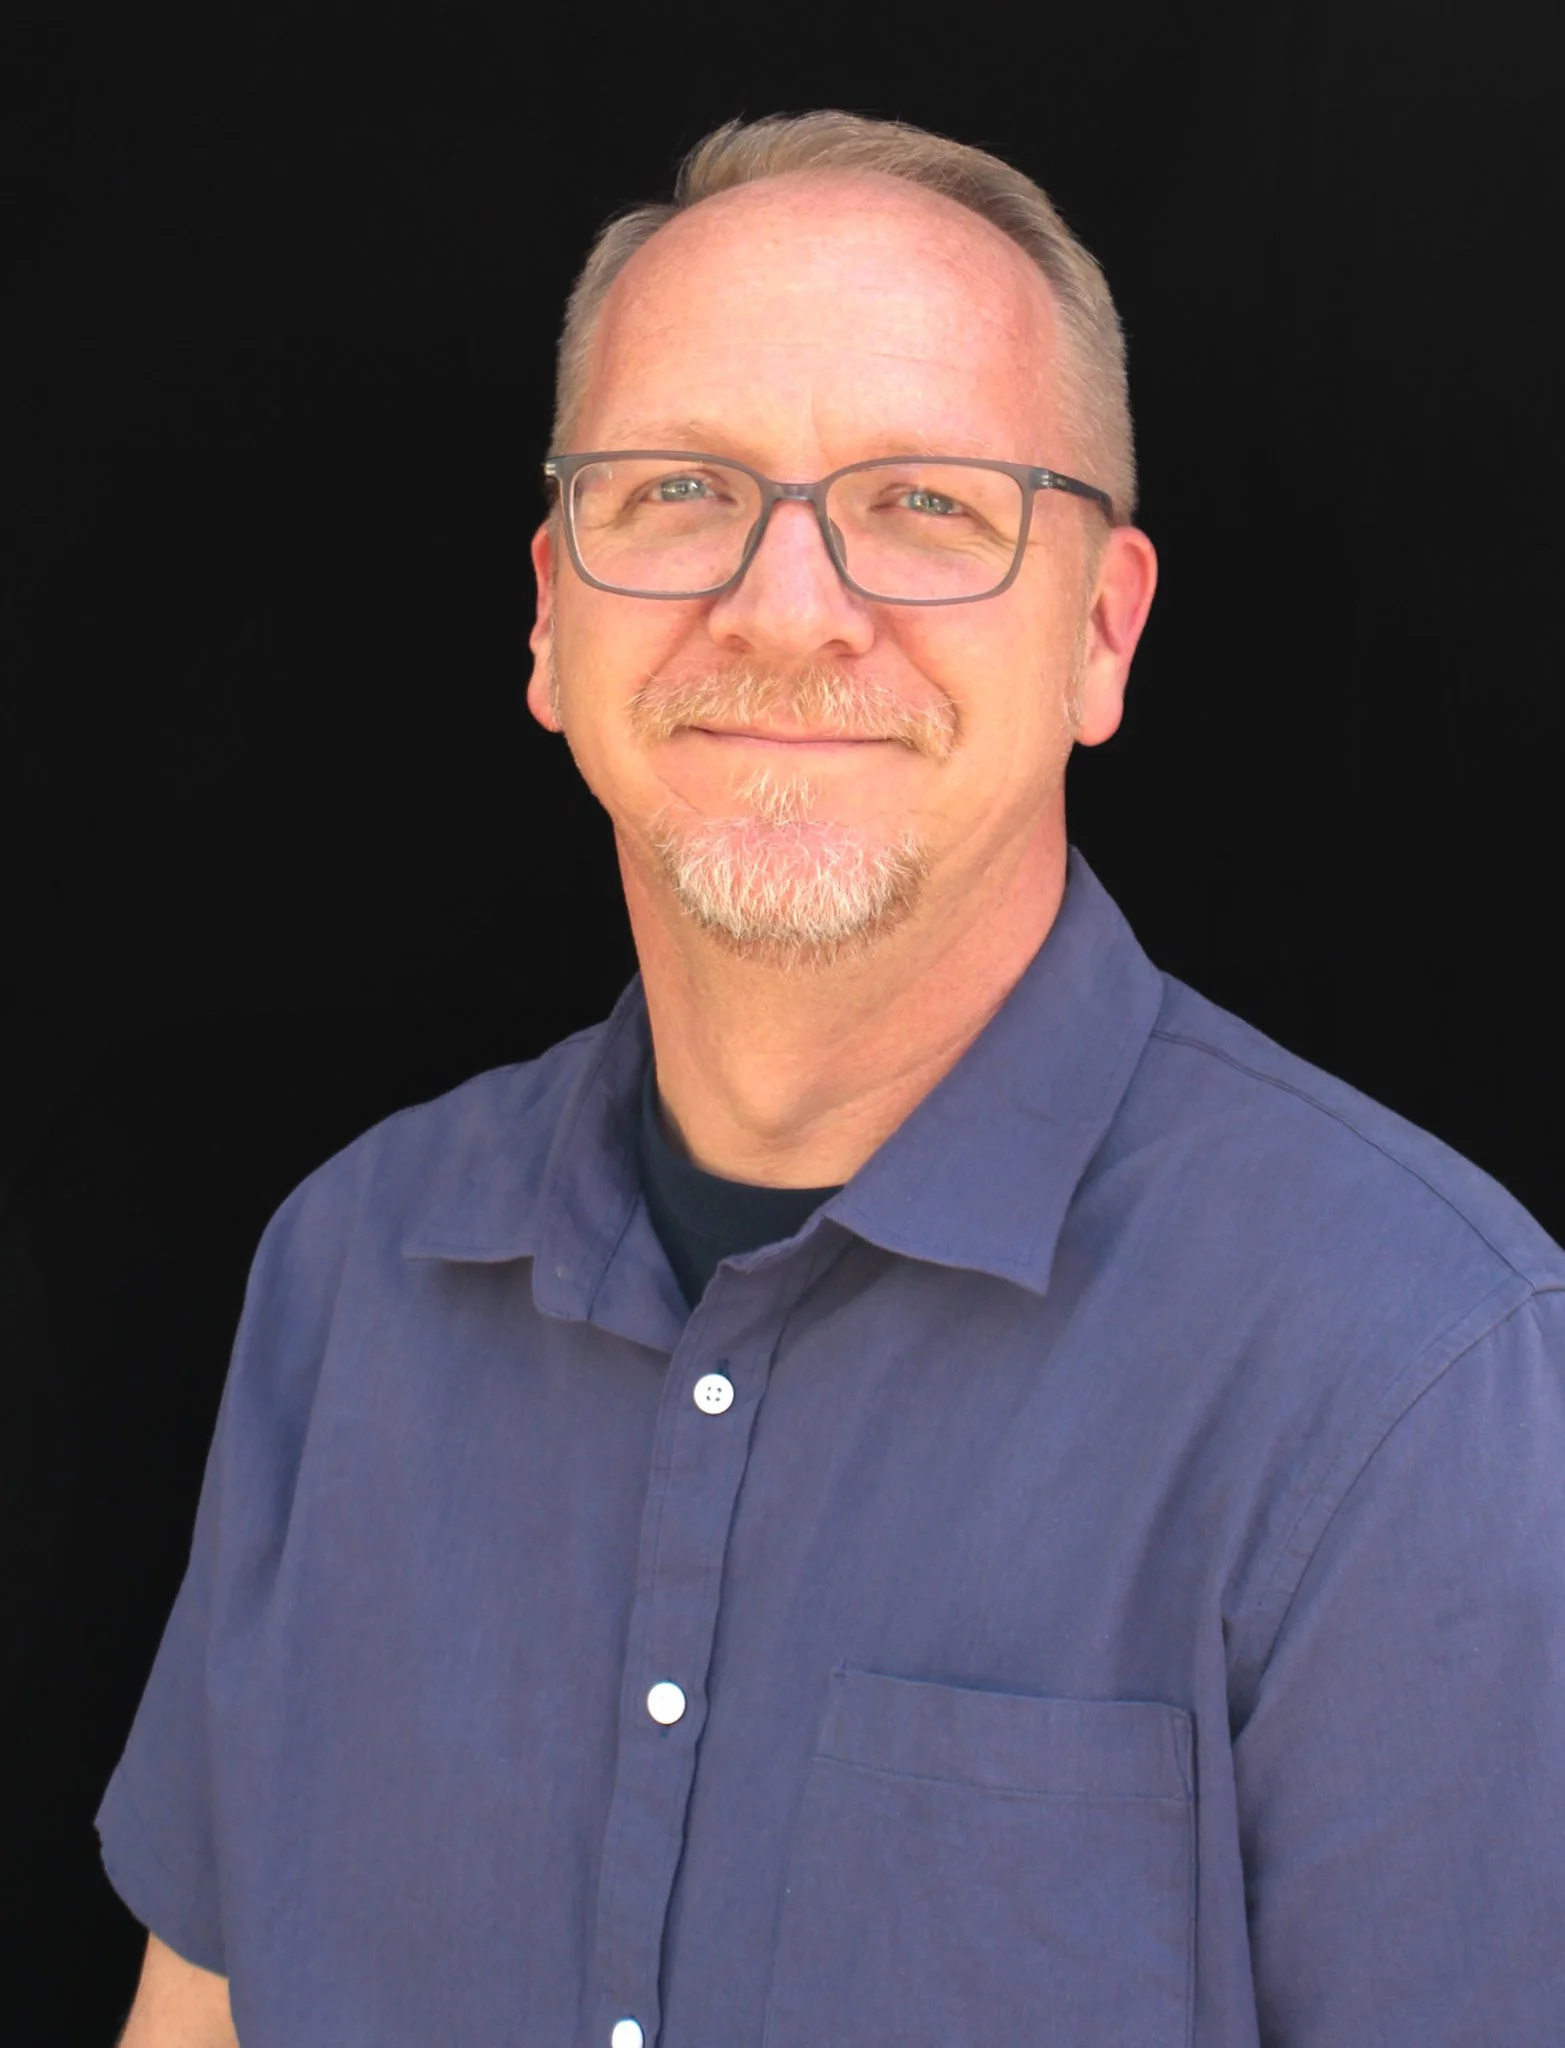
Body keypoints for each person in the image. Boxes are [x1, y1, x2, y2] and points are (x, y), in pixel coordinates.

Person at [101, 112, 1565, 2048]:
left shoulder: (1414, 1373)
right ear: (549, 613)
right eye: (677, 488)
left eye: (925, 503)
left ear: (1101, 631)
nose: (785, 609)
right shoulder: (348, 1271)